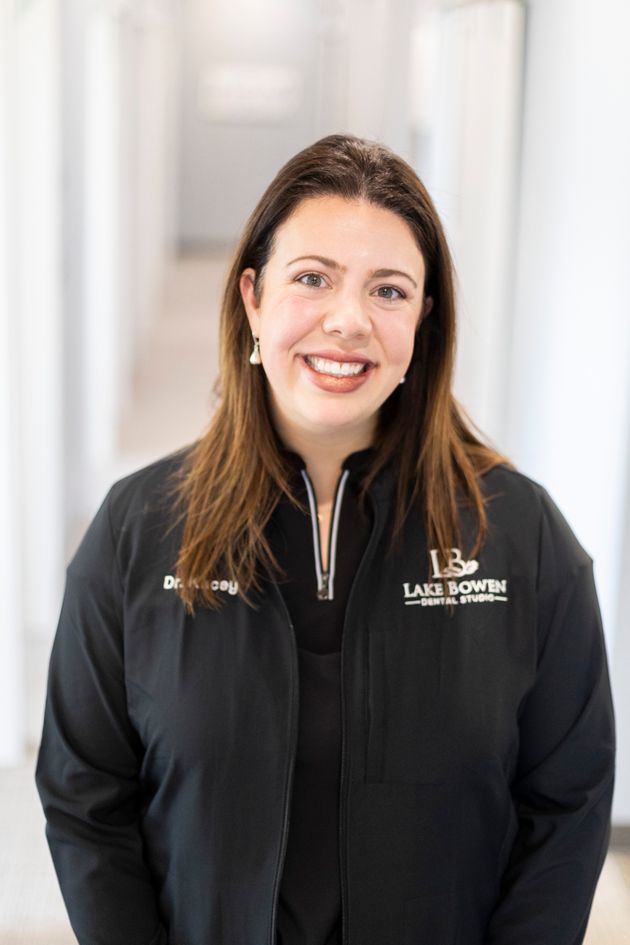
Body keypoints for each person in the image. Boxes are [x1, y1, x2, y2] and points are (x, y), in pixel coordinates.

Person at [35, 133, 615, 945]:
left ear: (423, 321)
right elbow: (86, 794)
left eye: (389, 290)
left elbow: (569, 802)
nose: (348, 321)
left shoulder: (521, 537)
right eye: (312, 278)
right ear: (252, 298)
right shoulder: (138, 530)